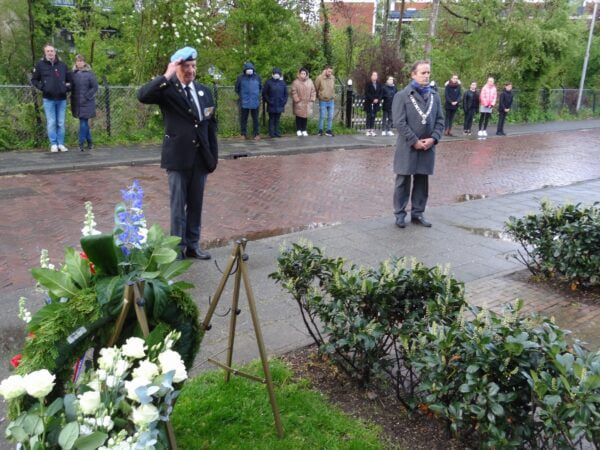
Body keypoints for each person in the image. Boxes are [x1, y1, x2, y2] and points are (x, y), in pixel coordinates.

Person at [137, 46, 218, 261]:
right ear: (177, 67)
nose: (191, 70)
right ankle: (177, 248)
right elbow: (142, 95)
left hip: (200, 158)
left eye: (193, 66)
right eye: (186, 66)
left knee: (196, 205)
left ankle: (193, 245)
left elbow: (210, 125)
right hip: (178, 157)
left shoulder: (203, 91)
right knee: (177, 206)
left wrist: (212, 156)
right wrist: (167, 74)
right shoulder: (167, 90)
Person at [391, 60, 444, 229]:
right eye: (423, 73)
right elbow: (399, 122)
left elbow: (440, 121)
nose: (426, 76)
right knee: (403, 182)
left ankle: (418, 213)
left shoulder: (435, 96)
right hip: (407, 147)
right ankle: (400, 215)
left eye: (428, 73)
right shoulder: (402, 96)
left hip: (427, 147)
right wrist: (414, 141)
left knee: (422, 181)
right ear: (413, 74)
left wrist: (433, 139)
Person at [31, 44, 72, 152]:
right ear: (45, 53)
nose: (50, 53)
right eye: (48, 51)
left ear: (55, 52)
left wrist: (66, 88)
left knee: (60, 123)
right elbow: (34, 80)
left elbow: (70, 80)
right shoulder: (40, 65)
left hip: (62, 99)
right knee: (51, 122)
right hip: (48, 99)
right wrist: (43, 88)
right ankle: (53, 144)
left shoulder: (62, 65)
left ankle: (61, 144)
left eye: (52, 51)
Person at [71, 54, 98, 151]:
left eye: (81, 61)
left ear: (84, 62)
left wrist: (86, 96)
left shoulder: (90, 74)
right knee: (84, 123)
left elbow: (95, 87)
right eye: (77, 61)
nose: (79, 63)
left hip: (87, 103)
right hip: (76, 103)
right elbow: (71, 87)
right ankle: (90, 143)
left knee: (83, 122)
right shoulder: (73, 74)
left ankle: (81, 144)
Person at [235, 62, 262, 140]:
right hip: (244, 102)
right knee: (243, 119)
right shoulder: (240, 78)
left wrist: (257, 95)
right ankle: (243, 134)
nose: (249, 70)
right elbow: (236, 88)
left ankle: (256, 134)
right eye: (248, 69)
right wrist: (242, 96)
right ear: (245, 70)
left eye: (251, 69)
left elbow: (260, 87)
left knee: (255, 119)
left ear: (253, 69)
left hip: (255, 102)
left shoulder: (257, 77)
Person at [262, 67, 288, 138]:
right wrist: (269, 101)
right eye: (275, 73)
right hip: (271, 104)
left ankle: (277, 132)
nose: (276, 75)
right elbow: (265, 93)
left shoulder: (282, 83)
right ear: (272, 74)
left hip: (280, 104)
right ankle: (271, 133)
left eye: (278, 73)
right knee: (271, 119)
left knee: (277, 119)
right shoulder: (268, 82)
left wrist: (284, 102)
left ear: (280, 74)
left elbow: (286, 94)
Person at [291, 67, 316, 137]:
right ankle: (298, 130)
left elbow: (313, 91)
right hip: (299, 102)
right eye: (301, 73)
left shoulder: (310, 81)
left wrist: (312, 99)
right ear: (299, 74)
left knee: (305, 117)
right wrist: (297, 100)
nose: (303, 75)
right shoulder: (296, 82)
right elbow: (293, 92)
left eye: (304, 73)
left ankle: (304, 130)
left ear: (306, 74)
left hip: (307, 102)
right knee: (298, 116)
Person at [314, 65, 335, 136]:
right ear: (325, 70)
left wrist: (333, 95)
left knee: (330, 116)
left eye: (331, 72)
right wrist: (319, 96)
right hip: (323, 100)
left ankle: (328, 131)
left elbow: (333, 88)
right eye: (329, 71)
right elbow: (316, 88)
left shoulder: (333, 78)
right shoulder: (319, 78)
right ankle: (320, 131)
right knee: (322, 116)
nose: (330, 73)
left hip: (331, 100)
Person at [363, 71, 383, 136]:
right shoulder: (368, 83)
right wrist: (373, 99)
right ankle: (367, 130)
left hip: (376, 103)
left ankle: (372, 130)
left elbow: (381, 93)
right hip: (369, 103)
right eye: (374, 75)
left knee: (373, 116)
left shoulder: (379, 84)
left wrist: (378, 99)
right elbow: (367, 93)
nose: (375, 76)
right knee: (369, 116)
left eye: (376, 75)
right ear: (371, 76)